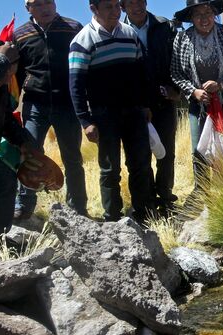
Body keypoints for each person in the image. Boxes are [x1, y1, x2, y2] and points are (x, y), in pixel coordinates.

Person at [69, 0, 156, 224]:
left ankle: (144, 215)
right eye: (107, 7)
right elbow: (76, 85)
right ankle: (112, 219)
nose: (114, 11)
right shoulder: (82, 41)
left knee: (141, 164)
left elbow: (140, 72)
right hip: (104, 115)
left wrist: (144, 104)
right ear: (93, 9)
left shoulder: (129, 34)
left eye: (117, 6)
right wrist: (85, 121)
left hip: (134, 112)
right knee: (109, 169)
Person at [13, 0, 87, 220]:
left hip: (67, 103)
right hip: (35, 104)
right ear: (28, 8)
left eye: (48, 2)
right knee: (29, 154)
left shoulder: (73, 28)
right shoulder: (20, 35)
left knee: (72, 157)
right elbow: (15, 75)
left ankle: (78, 208)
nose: (44, 8)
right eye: (37, 4)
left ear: (55, 4)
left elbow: (84, 65)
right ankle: (24, 205)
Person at [171, 0, 223, 194]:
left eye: (208, 12)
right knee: (199, 149)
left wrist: (222, 84)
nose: (204, 18)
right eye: (198, 14)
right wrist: (193, 91)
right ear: (191, 18)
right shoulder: (182, 39)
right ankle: (202, 193)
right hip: (199, 105)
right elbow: (176, 73)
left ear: (214, 13)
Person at [121, 0, 179, 215]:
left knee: (166, 153)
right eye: (130, 3)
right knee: (138, 156)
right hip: (134, 105)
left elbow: (178, 60)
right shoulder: (118, 30)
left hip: (164, 100)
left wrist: (175, 89)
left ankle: (165, 197)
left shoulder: (165, 26)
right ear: (122, 6)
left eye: (140, 1)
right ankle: (145, 204)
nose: (137, 6)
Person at [0, 42, 36, 233]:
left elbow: (5, 121)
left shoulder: (1, 88)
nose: (9, 77)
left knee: (5, 181)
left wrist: (23, 141)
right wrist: (2, 60)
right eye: (5, 72)